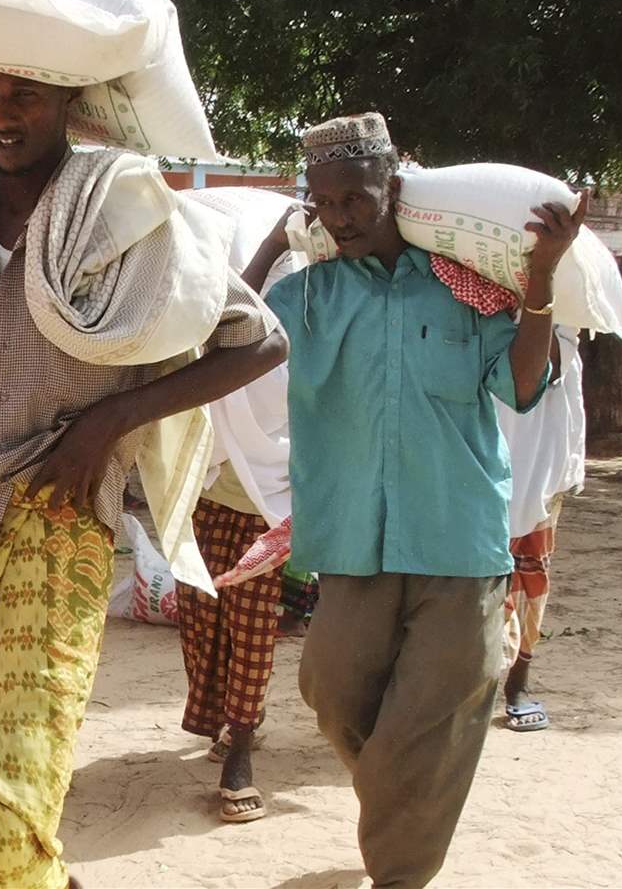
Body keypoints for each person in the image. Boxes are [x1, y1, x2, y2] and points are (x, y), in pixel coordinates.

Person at [0, 69, 287, 889]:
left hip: (59, 531)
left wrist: (108, 422)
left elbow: (258, 344)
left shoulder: (123, 218)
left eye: (23, 95)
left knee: (6, 801)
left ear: (66, 102)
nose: (2, 115)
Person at [241, 112, 586, 889]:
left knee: (434, 712)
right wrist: (275, 243)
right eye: (324, 204)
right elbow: (220, 331)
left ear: (394, 188)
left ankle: (399, 873)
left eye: (357, 198)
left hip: (457, 543)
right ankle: (406, 800)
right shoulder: (311, 295)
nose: (342, 217)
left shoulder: (466, 290)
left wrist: (540, 280)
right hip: (351, 542)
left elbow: (524, 388)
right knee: (330, 692)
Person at [177, 459, 283, 824]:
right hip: (206, 494)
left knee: (251, 626)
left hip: (272, 506)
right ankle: (241, 713)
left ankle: (240, 744)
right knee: (197, 616)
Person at [497, 324, 586, 731]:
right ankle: (475, 684)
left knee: (531, 577)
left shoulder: (561, 316)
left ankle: (518, 682)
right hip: (479, 461)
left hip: (541, 464)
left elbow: (551, 369)